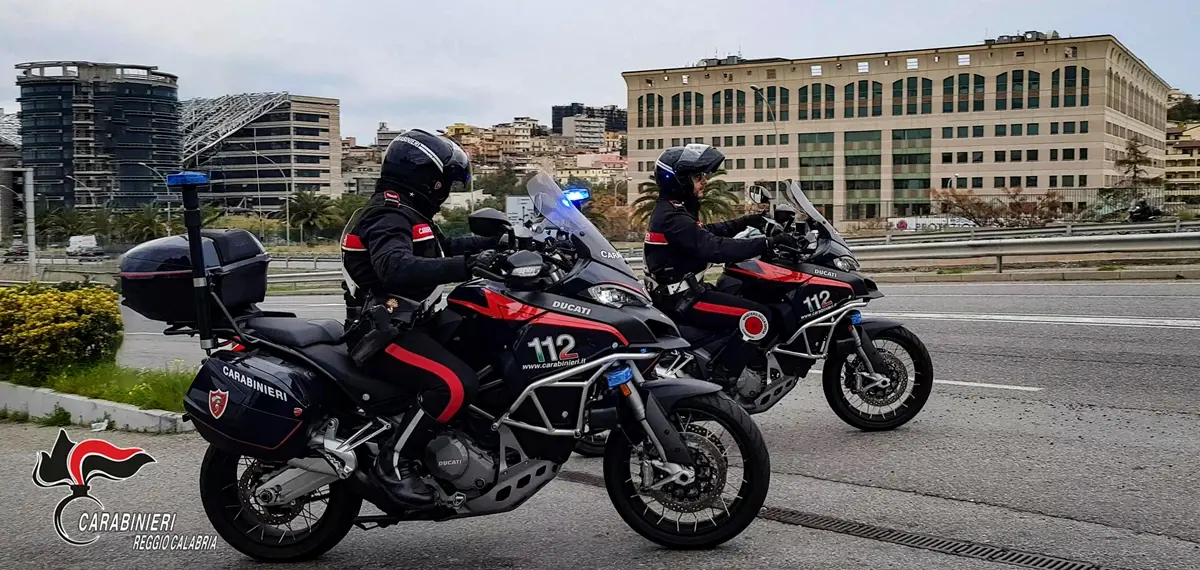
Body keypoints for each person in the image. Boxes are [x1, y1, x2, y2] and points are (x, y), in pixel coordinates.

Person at [339, 129, 503, 509]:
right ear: (424, 176)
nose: (444, 190)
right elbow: (394, 267)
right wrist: (466, 266)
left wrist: (500, 244)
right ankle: (393, 463)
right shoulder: (386, 215)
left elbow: (440, 248)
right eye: (443, 181)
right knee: (454, 384)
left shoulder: (407, 213)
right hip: (382, 332)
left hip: (413, 322)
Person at [642, 144, 797, 383]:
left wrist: (748, 221)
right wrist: (768, 242)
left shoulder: (674, 211)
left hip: (686, 292)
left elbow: (706, 233)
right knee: (758, 316)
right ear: (678, 180)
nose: (704, 180)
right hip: (684, 300)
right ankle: (724, 379)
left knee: (740, 290)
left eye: (704, 175)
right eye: (697, 176)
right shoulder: (672, 217)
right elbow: (714, 248)